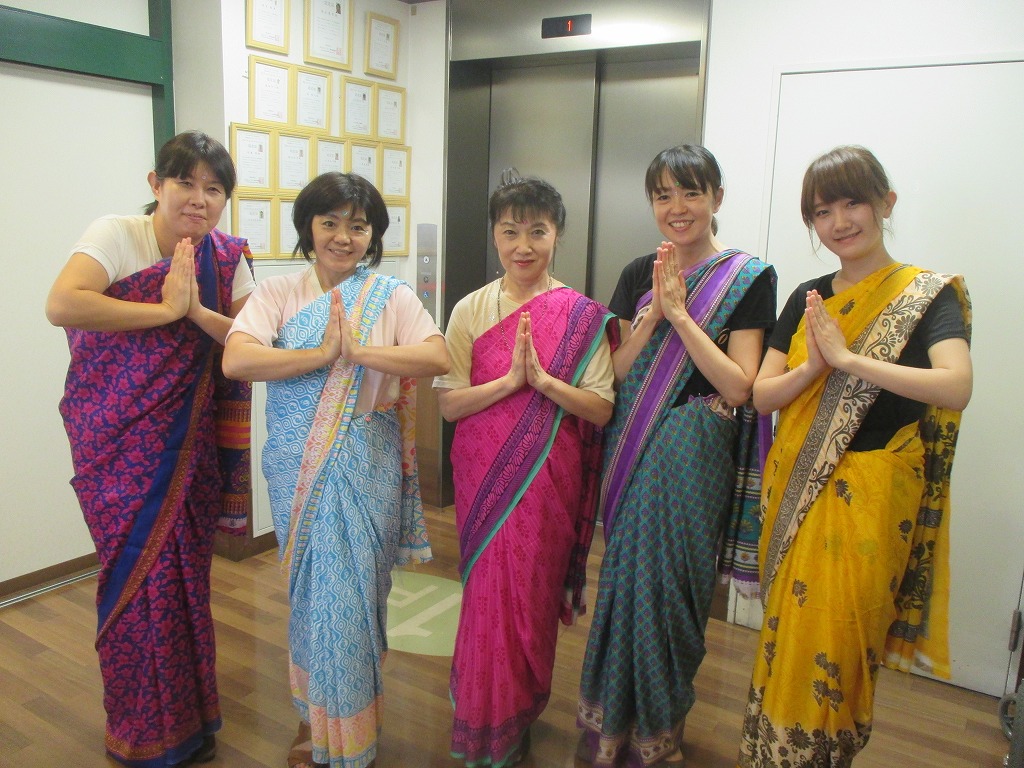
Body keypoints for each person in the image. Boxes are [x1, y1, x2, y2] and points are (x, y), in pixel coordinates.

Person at [736, 145, 973, 767]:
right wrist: (813, 367)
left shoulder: (927, 296)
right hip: (798, 491)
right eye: (822, 211)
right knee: (788, 635)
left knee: (841, 643)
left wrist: (847, 360)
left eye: (852, 203)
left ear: (885, 204)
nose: (839, 222)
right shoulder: (808, 297)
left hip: (874, 501)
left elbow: (955, 386)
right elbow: (762, 395)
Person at [222, 171, 448, 768]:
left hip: (367, 462)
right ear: (308, 228)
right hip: (296, 464)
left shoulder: (391, 296)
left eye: (358, 225)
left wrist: (360, 352)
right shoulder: (277, 294)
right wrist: (320, 355)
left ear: (373, 234)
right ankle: (311, 718)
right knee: (310, 595)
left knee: (353, 598)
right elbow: (237, 360)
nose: (344, 237)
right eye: (330, 223)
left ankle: (350, 727)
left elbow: (437, 354)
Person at [45, 130, 255, 766]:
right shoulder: (117, 235)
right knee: (137, 583)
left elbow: (248, 338)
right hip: (117, 443)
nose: (198, 199)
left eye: (213, 189)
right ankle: (142, 733)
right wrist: (164, 311)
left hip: (188, 447)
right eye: (185, 183)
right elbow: (63, 304)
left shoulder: (227, 258)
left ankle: (192, 722)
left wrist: (194, 313)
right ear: (156, 185)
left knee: (185, 582)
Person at [576, 145, 777, 767]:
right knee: (622, 583)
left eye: (691, 192)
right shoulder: (640, 271)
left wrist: (683, 318)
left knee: (673, 593)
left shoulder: (749, 277)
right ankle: (610, 726)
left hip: (695, 455)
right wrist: (649, 319)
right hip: (631, 448)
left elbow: (739, 386)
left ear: (717, 197)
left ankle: (658, 734)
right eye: (663, 195)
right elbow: (612, 373)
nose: (678, 207)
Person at [433, 171, 617, 768]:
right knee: (487, 598)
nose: (523, 246)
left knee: (530, 601)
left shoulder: (582, 317)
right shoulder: (469, 309)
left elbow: (600, 407)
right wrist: (511, 382)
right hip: (483, 478)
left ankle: (517, 712)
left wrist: (544, 383)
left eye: (537, 231)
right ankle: (485, 719)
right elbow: (449, 404)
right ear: (494, 235)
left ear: (557, 234)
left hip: (547, 486)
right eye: (511, 231)